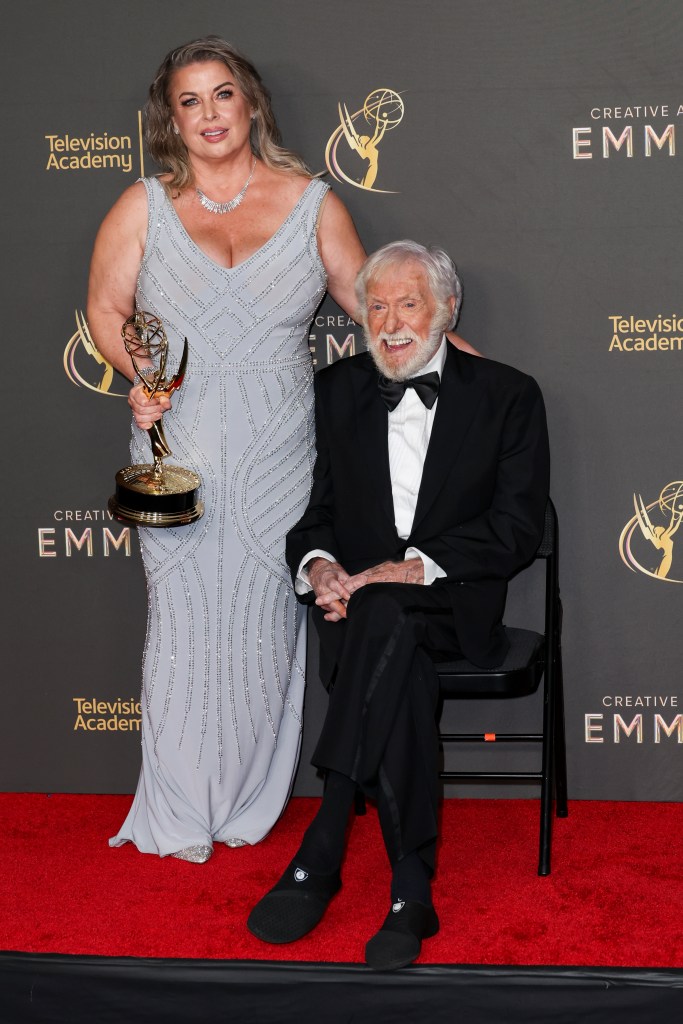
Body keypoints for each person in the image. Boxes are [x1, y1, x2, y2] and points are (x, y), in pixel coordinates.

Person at [87, 37, 476, 863]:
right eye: (189, 102)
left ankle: (247, 800)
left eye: (222, 95)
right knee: (183, 623)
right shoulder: (142, 205)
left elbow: (376, 309)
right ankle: (179, 801)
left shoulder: (312, 204)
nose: (209, 115)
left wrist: (478, 374)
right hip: (177, 446)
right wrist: (142, 377)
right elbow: (106, 311)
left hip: (280, 450)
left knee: (262, 626)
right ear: (170, 120)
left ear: (250, 103)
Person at [247, 241, 550, 970]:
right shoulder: (336, 390)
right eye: (375, 307)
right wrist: (320, 569)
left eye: (407, 304)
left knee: (388, 613)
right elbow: (317, 514)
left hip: (455, 606)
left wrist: (410, 570)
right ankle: (410, 890)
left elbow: (515, 529)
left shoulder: (508, 395)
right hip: (362, 616)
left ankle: (325, 840)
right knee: (389, 637)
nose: (388, 324)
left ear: (446, 309)